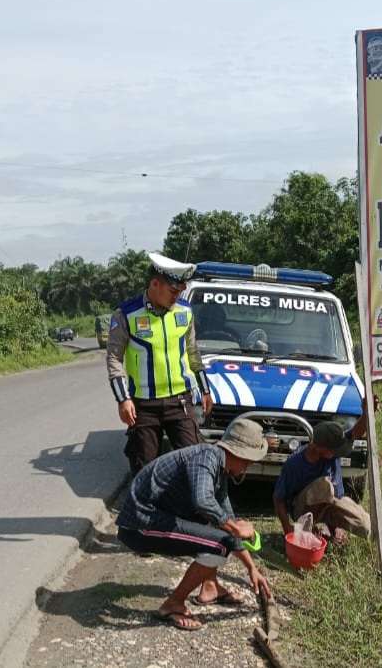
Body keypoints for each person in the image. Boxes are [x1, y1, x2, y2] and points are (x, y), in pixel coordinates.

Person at [116, 418, 274, 631]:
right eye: (248, 462)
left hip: (157, 519)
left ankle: (210, 587)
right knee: (219, 544)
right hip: (140, 525)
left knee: (219, 532)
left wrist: (252, 568)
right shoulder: (205, 457)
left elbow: (227, 519)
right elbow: (203, 501)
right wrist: (235, 528)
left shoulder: (219, 469)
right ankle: (173, 604)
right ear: (239, 454)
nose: (247, 467)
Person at [106, 252, 214, 472]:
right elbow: (114, 358)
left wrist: (205, 389)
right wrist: (122, 400)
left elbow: (193, 352)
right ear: (155, 284)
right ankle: (145, 506)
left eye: (180, 291)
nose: (177, 296)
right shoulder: (126, 314)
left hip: (180, 402)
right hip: (144, 406)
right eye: (173, 291)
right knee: (144, 468)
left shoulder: (185, 311)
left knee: (195, 462)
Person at [273, 419, 372, 546]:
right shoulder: (294, 464)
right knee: (324, 485)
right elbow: (278, 499)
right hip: (304, 510)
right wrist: (288, 529)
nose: (338, 452)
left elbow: (355, 433)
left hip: (332, 503)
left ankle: (333, 528)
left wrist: (366, 413)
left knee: (365, 524)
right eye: (334, 449)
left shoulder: (333, 450)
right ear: (319, 447)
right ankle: (307, 529)